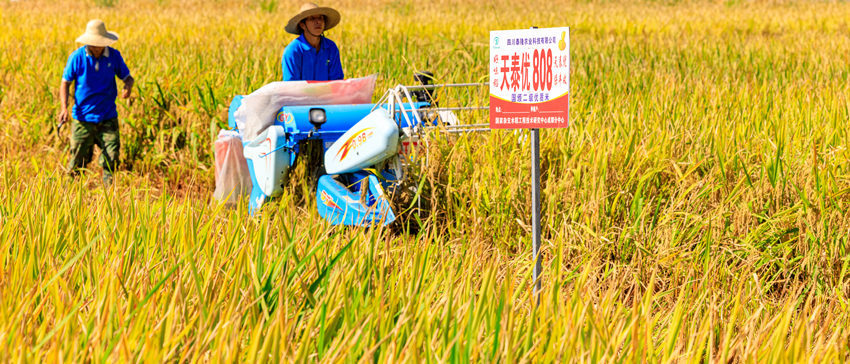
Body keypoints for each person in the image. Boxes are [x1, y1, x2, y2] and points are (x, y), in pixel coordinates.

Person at [58, 19, 134, 185]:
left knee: (111, 157)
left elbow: (128, 77)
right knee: (77, 161)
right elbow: (65, 83)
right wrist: (64, 108)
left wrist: (128, 86)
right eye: (94, 43)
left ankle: (108, 194)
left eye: (100, 43)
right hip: (83, 119)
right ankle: (70, 194)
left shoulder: (114, 56)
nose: (97, 47)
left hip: (108, 117)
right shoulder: (77, 58)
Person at [281, 3, 344, 81]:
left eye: (320, 18)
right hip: (300, 93)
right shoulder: (293, 51)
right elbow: (291, 86)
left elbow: (337, 81)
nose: (318, 22)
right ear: (302, 25)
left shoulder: (331, 47)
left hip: (326, 93)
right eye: (312, 18)